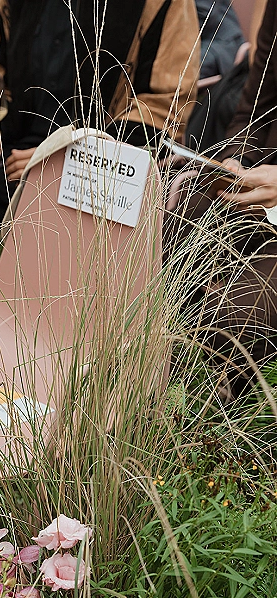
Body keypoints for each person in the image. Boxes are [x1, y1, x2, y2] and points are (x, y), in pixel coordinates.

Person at [0, 0, 200, 310]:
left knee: (69, 238)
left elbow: (164, 105)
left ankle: (71, 333)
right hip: (22, 152)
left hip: (104, 162)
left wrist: (65, 153)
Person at [167, 0, 277, 395]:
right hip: (260, 192)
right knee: (159, 228)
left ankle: (206, 437)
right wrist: (236, 161)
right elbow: (254, 108)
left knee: (233, 317)